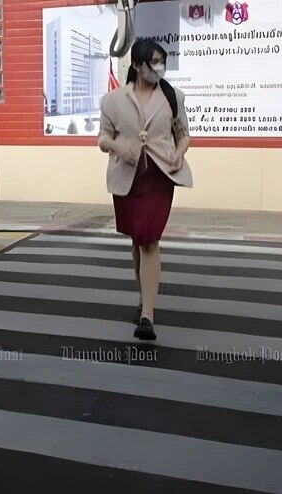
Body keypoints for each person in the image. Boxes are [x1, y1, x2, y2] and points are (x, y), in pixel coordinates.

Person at [97, 38, 193, 340]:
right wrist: (117, 145)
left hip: (160, 176)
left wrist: (180, 152)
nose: (159, 67)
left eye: (162, 62)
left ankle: (147, 315)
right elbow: (102, 139)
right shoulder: (113, 100)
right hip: (128, 177)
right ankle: (144, 295)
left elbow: (184, 135)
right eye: (153, 61)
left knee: (149, 239)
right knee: (138, 239)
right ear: (138, 65)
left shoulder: (173, 96)